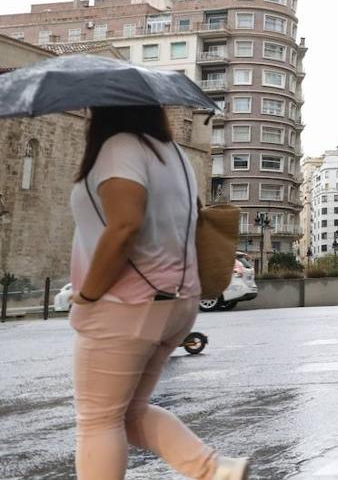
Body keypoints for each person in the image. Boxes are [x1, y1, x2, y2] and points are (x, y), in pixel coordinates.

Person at [69, 106, 249, 480]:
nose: (86, 114)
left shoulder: (120, 147)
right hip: (177, 301)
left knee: (98, 420)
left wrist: (87, 294)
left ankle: (216, 470)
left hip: (126, 302)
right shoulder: (174, 154)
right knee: (130, 413)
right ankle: (216, 471)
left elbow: (124, 227)